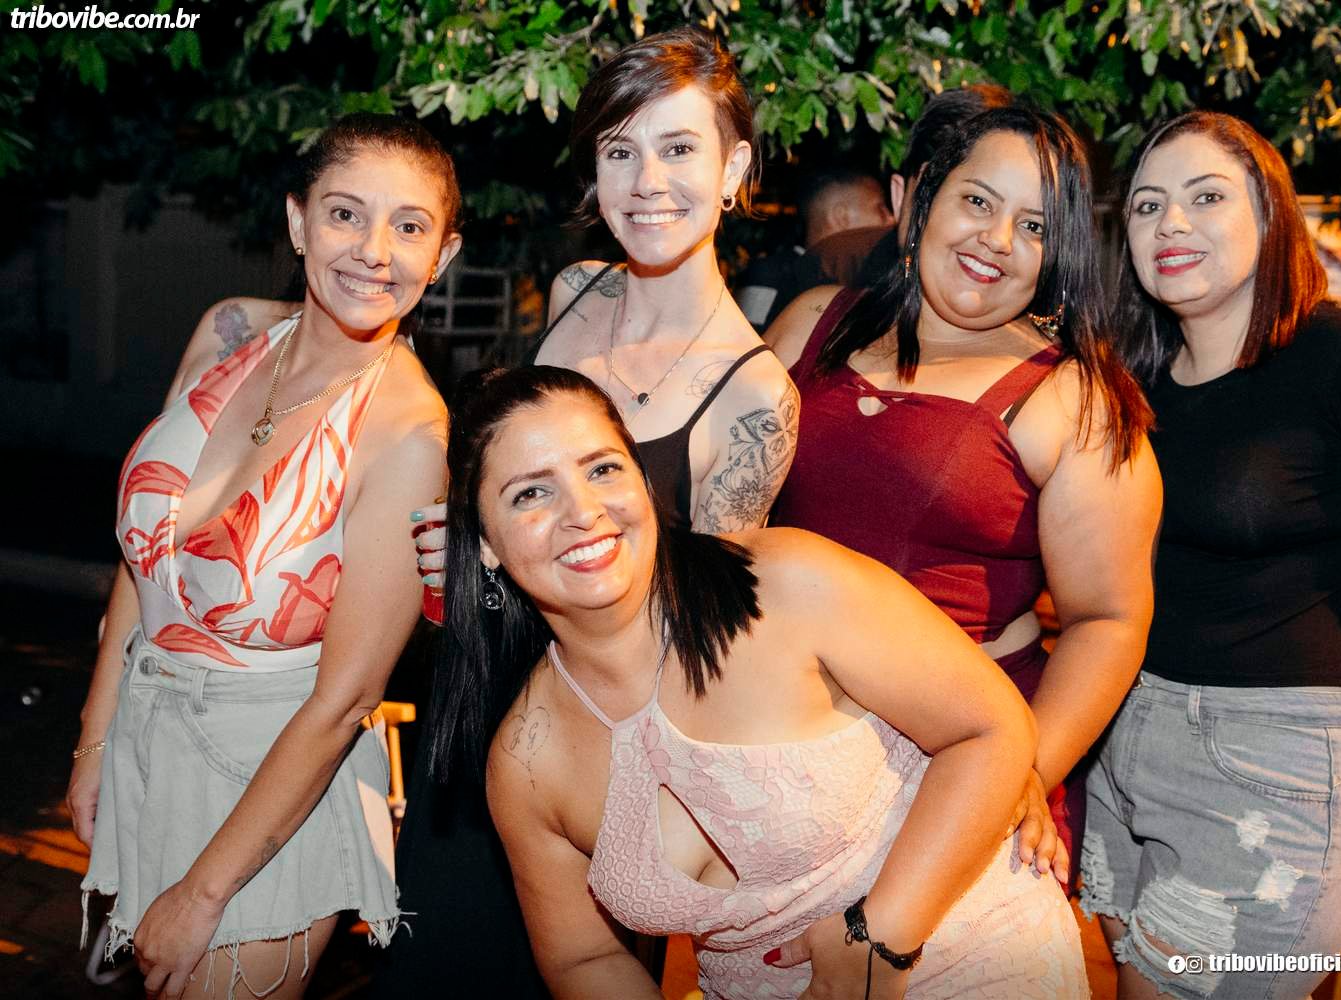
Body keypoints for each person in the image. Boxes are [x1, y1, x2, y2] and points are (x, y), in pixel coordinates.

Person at [429, 363, 1089, 999]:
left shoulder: (786, 582)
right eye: (531, 493)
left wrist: (878, 938)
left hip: (967, 956)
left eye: (602, 468)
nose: (583, 510)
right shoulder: (526, 762)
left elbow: (989, 728)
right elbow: (583, 955)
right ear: (483, 541)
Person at [384, 27, 797, 994]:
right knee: (426, 960)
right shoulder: (577, 291)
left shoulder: (753, 397)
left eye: (679, 147)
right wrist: (465, 542)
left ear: (734, 168)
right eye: (620, 151)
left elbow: (700, 641)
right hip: (475, 694)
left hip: (594, 753)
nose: (647, 181)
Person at [1082, 110, 1341, 999]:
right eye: (1149, 206)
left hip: (1277, 773)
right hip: (1122, 744)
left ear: (1270, 216)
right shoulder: (1130, 379)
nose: (1171, 223)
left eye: (1206, 197)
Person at [67, 113, 462, 999]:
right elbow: (146, 555)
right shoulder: (230, 332)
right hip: (147, 739)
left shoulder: (408, 436)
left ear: (442, 255)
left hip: (269, 786)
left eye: (409, 226)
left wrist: (204, 894)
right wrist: (95, 738)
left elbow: (346, 698)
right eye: (345, 213)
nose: (374, 251)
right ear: (297, 221)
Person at [764, 105, 1162, 889]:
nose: (999, 239)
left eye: (1035, 226)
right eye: (978, 201)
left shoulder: (1075, 401)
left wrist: (1021, 772)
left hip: (959, 758)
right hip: (787, 740)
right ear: (918, 198)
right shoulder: (813, 325)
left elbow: (1108, 622)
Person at [853, 84, 1011, 288]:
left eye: (1031, 225)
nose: (997, 239)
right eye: (976, 201)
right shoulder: (840, 285)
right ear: (900, 197)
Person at [734, 166, 893, 331]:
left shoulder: (868, 275)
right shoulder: (768, 275)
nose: (891, 219)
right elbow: (742, 338)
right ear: (841, 217)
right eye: (881, 208)